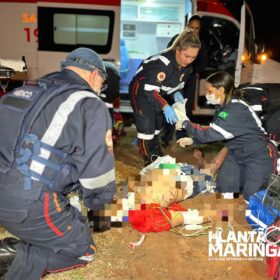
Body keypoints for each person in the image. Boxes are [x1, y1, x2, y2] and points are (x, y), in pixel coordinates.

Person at [0, 47, 116, 279]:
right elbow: (96, 174)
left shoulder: (24, 90)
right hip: (27, 203)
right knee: (83, 251)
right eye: (102, 84)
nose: (100, 90)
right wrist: (100, 208)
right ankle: (12, 260)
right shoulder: (89, 103)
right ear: (94, 75)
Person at [176, 71, 278, 201]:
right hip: (237, 154)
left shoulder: (235, 109)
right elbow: (215, 133)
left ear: (221, 90)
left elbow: (208, 134)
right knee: (225, 191)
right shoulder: (223, 108)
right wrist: (193, 139)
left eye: (209, 91)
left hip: (258, 156)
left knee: (253, 198)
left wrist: (186, 123)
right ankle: (231, 207)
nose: (207, 95)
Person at [129, 29, 201, 166]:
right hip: (141, 91)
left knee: (158, 123)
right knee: (146, 124)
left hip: (157, 93)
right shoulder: (162, 64)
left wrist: (176, 93)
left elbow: (173, 85)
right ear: (178, 50)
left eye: (193, 57)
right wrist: (165, 106)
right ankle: (147, 157)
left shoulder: (187, 68)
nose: (189, 60)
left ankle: (155, 151)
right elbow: (150, 91)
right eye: (187, 56)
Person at [161, 15, 208, 147]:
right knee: (171, 107)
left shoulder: (201, 44)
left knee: (185, 108)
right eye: (191, 27)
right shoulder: (178, 39)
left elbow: (203, 62)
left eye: (197, 29)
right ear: (187, 26)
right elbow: (167, 53)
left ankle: (182, 137)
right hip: (172, 79)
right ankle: (166, 137)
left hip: (189, 80)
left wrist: (192, 69)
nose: (194, 31)